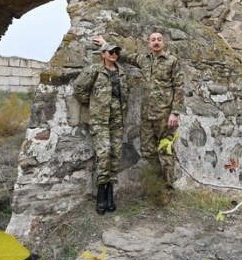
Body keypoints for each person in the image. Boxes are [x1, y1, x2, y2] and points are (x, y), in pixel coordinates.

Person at [93, 31, 184, 203]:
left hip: (165, 116)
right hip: (147, 116)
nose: (156, 42)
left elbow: (179, 87)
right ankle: (155, 187)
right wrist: (106, 44)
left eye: (159, 40)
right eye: (153, 40)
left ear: (164, 42)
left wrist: (175, 112)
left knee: (166, 153)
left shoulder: (173, 61)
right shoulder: (143, 60)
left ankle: (168, 191)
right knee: (148, 152)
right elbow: (123, 56)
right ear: (149, 44)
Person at [74, 42, 128, 215]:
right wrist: (93, 105)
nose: (114, 53)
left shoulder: (122, 72)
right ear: (103, 54)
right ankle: (101, 195)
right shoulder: (94, 71)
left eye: (116, 51)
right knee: (104, 153)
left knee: (115, 154)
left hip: (117, 118)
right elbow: (79, 89)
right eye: (110, 51)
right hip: (100, 120)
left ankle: (110, 194)